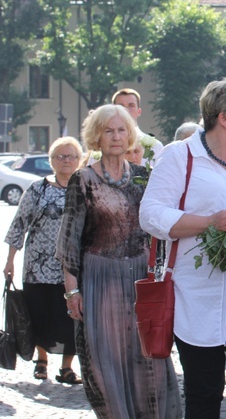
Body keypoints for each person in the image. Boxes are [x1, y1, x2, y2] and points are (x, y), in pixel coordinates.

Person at [139, 78, 226, 418]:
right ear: (224, 117)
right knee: (204, 394)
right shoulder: (179, 156)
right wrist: (209, 222)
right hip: (196, 298)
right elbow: (150, 214)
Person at [56, 105, 181, 418]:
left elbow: (160, 227)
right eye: (108, 130)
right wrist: (72, 291)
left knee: (148, 357)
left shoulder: (143, 177)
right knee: (105, 360)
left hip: (141, 279)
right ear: (97, 136)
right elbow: (69, 240)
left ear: (130, 134)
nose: (115, 136)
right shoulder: (82, 179)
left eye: (121, 130)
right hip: (100, 280)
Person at [3, 137, 83, 384]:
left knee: (72, 318)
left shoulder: (85, 189)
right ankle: (41, 361)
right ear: (51, 161)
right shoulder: (37, 189)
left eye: (71, 156)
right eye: (60, 156)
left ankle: (67, 367)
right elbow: (19, 225)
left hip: (72, 269)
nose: (66, 160)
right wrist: (10, 261)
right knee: (38, 316)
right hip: (37, 269)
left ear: (79, 160)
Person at [112, 88, 164, 163]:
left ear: (139, 111)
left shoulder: (155, 146)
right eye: (121, 106)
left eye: (131, 105)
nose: (126, 110)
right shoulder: (104, 146)